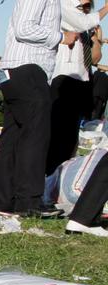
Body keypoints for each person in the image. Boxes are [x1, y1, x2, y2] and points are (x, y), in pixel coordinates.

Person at [0, 0, 80, 215]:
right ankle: (29, 201)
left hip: (14, 70)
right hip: (28, 69)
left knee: (13, 137)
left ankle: (4, 200)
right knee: (36, 135)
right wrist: (61, 37)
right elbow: (24, 28)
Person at [48, 0, 108, 174]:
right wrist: (104, 10)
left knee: (71, 133)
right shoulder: (64, 10)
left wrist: (97, 40)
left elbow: (95, 59)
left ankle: (63, 169)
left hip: (83, 80)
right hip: (63, 77)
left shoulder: (89, 23)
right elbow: (81, 23)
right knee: (58, 129)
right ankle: (50, 169)